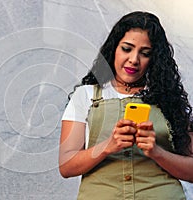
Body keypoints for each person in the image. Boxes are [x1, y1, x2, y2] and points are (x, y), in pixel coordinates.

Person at [59, 11, 193, 199]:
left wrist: (156, 152)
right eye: (127, 48)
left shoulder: (170, 100)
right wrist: (108, 145)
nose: (134, 59)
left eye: (145, 53)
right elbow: (66, 166)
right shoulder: (85, 96)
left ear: (154, 59)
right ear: (114, 48)